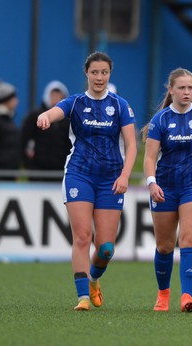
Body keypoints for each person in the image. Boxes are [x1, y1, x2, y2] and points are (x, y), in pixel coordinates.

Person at [37, 51, 137, 311]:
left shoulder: (120, 106)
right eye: (95, 72)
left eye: (104, 72)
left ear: (110, 74)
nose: (99, 77)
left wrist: (125, 175)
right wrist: (46, 116)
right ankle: (82, 297)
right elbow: (57, 110)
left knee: (105, 249)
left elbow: (131, 145)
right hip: (79, 175)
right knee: (82, 236)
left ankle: (94, 279)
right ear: (87, 74)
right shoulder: (76, 102)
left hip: (111, 180)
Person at [143, 67, 192, 313]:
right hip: (164, 188)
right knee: (164, 246)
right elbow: (150, 157)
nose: (187, 92)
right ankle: (163, 294)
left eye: (191, 88)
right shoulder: (160, 120)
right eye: (182, 88)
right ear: (171, 90)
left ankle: (187, 296)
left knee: (189, 238)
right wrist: (152, 182)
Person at [21, 80, 71, 181]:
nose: (56, 99)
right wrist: (28, 165)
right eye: (53, 96)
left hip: (61, 172)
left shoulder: (69, 120)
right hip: (37, 171)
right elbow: (23, 140)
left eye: (59, 96)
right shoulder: (35, 116)